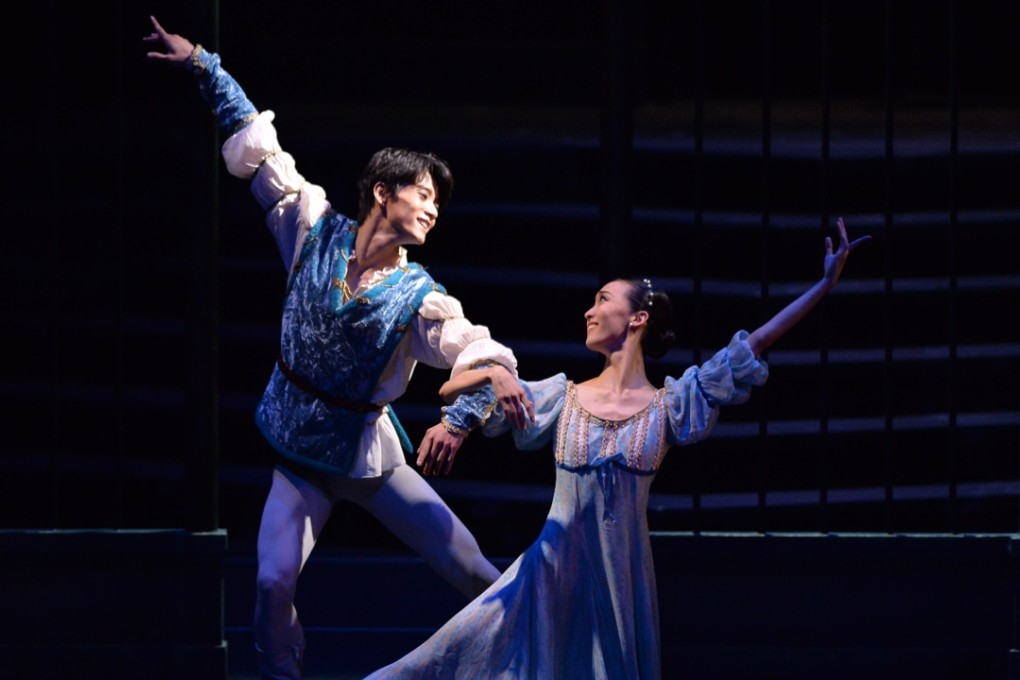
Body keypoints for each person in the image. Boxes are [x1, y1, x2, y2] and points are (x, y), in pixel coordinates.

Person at [143, 16, 536, 680]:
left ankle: (537, 649)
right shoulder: (312, 225)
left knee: (468, 565)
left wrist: (461, 418)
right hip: (301, 450)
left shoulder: (418, 295)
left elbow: (476, 349)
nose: (433, 209)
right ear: (383, 192)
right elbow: (259, 149)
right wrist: (204, 65)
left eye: (438, 203)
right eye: (423, 194)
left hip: (365, 451)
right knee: (271, 585)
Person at [369, 219, 869, 679]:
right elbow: (451, 389)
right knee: (442, 660)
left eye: (603, 299)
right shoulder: (561, 397)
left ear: (637, 318)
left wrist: (823, 285)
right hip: (551, 573)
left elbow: (753, 345)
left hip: (620, 581)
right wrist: (488, 385)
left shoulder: (671, 403)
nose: (590, 310)